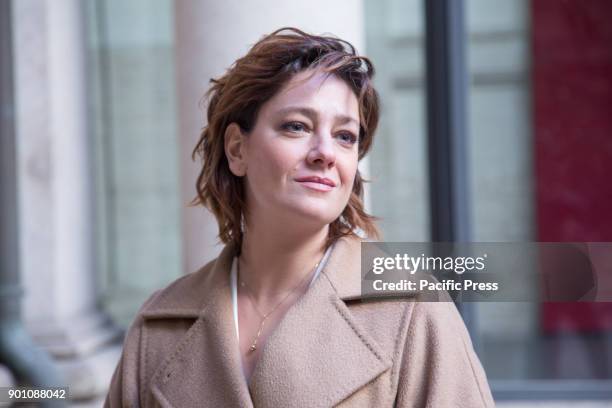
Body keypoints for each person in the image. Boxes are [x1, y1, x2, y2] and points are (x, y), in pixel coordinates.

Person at [104, 27, 495, 407]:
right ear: (237, 150)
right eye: (297, 127)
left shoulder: (412, 310)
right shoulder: (159, 324)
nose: (325, 152)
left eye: (345, 136)